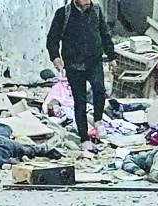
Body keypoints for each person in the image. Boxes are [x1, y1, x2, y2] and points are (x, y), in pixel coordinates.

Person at [46, 0, 116, 148]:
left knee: (99, 90)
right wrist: (55, 57)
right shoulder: (63, 14)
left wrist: (111, 56)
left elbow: (105, 34)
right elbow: (52, 38)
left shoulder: (96, 10)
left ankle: (98, 120)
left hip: (94, 61)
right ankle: (84, 139)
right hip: (73, 64)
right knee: (80, 101)